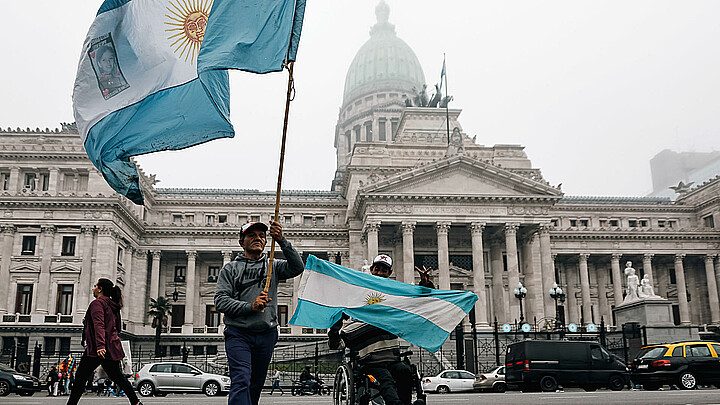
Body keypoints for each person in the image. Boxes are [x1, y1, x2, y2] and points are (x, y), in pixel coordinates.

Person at [215, 221, 304, 405]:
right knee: (241, 379)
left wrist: (282, 241)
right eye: (252, 235)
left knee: (255, 385)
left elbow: (297, 267)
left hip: (266, 334)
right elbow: (220, 301)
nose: (258, 238)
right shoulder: (230, 269)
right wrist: (250, 306)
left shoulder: (273, 266)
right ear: (242, 242)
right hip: (238, 333)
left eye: (262, 236)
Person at [328, 255, 431, 405]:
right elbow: (340, 314)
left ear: (389, 273)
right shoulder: (359, 294)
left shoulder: (393, 295)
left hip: (391, 356)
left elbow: (416, 303)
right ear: (371, 270)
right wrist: (336, 330)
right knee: (385, 378)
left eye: (384, 270)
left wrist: (425, 284)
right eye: (377, 269)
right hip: (368, 359)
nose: (380, 273)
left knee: (404, 371)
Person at [66, 278, 141, 405]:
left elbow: (98, 325)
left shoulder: (97, 303)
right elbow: (118, 327)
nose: (93, 288)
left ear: (100, 289)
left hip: (97, 349)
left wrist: (100, 345)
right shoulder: (113, 305)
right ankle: (136, 403)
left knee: (80, 379)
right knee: (119, 378)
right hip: (111, 348)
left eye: (95, 286)